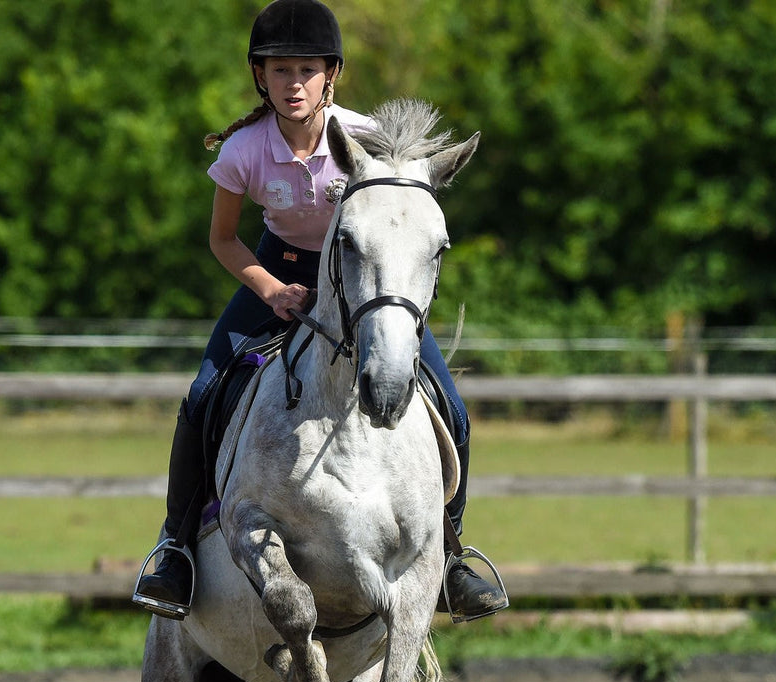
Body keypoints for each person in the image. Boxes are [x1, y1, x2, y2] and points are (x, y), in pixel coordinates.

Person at [133, 0, 507, 622]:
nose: (293, 83)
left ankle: (452, 555)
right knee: (202, 395)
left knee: (452, 407)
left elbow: (400, 222)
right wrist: (272, 290)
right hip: (276, 270)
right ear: (260, 77)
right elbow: (223, 240)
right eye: (279, 71)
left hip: (362, 280)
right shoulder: (244, 152)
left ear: (331, 74)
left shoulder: (365, 139)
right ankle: (176, 548)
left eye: (306, 69)